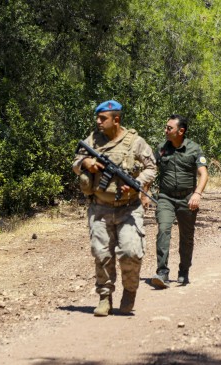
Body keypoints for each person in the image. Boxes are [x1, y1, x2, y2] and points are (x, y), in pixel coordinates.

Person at [72, 100, 157, 316]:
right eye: (98, 118)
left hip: (128, 207)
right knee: (102, 254)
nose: (98, 122)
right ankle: (104, 296)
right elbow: (75, 162)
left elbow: (152, 167)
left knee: (131, 251)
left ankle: (129, 291)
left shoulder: (135, 142)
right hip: (99, 207)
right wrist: (85, 164)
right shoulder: (92, 140)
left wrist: (137, 184)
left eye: (103, 119)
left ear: (116, 119)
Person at [150, 115, 209, 289]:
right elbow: (151, 168)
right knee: (163, 230)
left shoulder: (194, 149)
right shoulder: (162, 148)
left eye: (169, 128)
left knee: (186, 237)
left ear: (181, 131)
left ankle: (184, 272)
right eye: (166, 127)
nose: (166, 131)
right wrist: (145, 191)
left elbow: (203, 174)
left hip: (187, 198)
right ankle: (162, 272)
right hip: (166, 197)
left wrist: (197, 194)